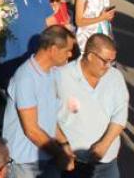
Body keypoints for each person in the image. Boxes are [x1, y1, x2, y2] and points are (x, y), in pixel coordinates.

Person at [2, 25, 76, 178]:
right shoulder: (26, 78)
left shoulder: (53, 74)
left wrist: (64, 144)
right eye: (67, 50)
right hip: (25, 164)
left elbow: (50, 118)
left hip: (47, 157)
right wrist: (60, 154)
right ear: (53, 50)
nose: (70, 54)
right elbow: (32, 130)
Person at [54, 34, 127, 178]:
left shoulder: (115, 77)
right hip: (74, 163)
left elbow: (120, 114)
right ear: (90, 56)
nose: (108, 66)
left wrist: (104, 144)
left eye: (112, 61)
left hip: (108, 163)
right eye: (105, 61)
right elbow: (47, 116)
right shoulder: (61, 77)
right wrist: (63, 147)